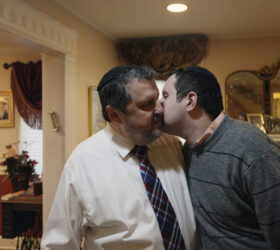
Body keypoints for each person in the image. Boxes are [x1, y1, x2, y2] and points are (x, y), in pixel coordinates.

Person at [159, 66, 280, 249]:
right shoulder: (186, 151)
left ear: (190, 101)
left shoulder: (251, 148)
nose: (159, 105)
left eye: (165, 96)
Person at [41, 66, 197, 250]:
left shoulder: (171, 144)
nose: (159, 109)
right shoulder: (82, 164)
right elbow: (59, 244)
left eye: (158, 99)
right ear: (114, 114)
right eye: (147, 104)